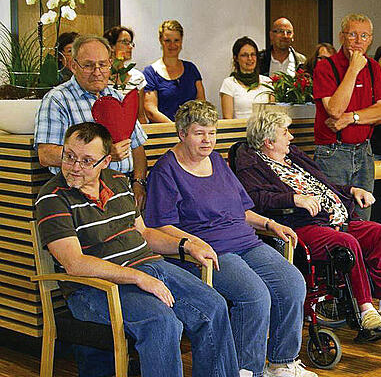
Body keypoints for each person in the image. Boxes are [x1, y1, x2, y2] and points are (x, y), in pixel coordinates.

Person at [35, 122, 238, 377]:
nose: (75, 167)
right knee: (162, 323)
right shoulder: (52, 197)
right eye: (70, 156)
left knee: (214, 306)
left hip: (149, 268)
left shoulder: (119, 182)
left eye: (87, 161)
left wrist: (185, 245)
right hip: (95, 286)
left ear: (106, 161)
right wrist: (140, 278)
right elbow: (75, 263)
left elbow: (143, 234)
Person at [144, 100, 316, 377]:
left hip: (245, 242)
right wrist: (192, 243)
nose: (207, 140)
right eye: (199, 133)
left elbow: (242, 209)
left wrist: (270, 223)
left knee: (292, 283)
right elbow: (161, 226)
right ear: (182, 134)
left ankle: (282, 363)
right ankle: (245, 370)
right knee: (254, 295)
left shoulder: (216, 161)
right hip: (208, 252)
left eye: (212, 133)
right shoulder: (166, 171)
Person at [233, 110, 381, 329]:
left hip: (334, 218)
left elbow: (325, 185)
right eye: (285, 133)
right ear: (268, 142)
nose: (291, 137)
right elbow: (256, 198)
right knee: (346, 244)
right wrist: (293, 198)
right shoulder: (253, 166)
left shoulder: (293, 157)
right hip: (301, 225)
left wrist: (351, 189)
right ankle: (366, 309)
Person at [35, 35, 149, 210]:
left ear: (110, 64)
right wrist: (102, 154)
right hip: (77, 193)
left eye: (102, 64)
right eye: (88, 65)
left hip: (122, 189)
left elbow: (137, 146)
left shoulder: (118, 97)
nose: (97, 72)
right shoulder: (58, 100)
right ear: (73, 66)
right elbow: (46, 154)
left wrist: (139, 182)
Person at [312, 13, 381, 221]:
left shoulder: (374, 67)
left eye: (364, 36)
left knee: (363, 218)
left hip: (364, 151)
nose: (358, 42)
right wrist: (354, 70)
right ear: (341, 37)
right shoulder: (325, 67)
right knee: (335, 218)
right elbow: (335, 110)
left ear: (371, 39)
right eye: (353, 35)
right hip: (333, 153)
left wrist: (350, 118)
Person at [143, 20, 205, 123]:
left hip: (190, 133)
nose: (172, 45)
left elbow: (201, 102)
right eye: (167, 41)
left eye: (176, 40)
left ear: (181, 42)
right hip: (163, 134)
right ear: (160, 40)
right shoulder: (150, 73)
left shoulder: (191, 69)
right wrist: (175, 129)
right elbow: (151, 111)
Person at [103, 25, 148, 123]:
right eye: (125, 42)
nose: (130, 47)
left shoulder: (137, 78)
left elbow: (140, 116)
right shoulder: (101, 77)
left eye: (131, 43)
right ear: (111, 46)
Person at [220, 36, 273, 119]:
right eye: (244, 55)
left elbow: (273, 115)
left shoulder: (267, 82)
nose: (250, 59)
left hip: (264, 131)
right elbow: (227, 119)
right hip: (239, 130)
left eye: (253, 54)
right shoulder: (229, 83)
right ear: (236, 58)